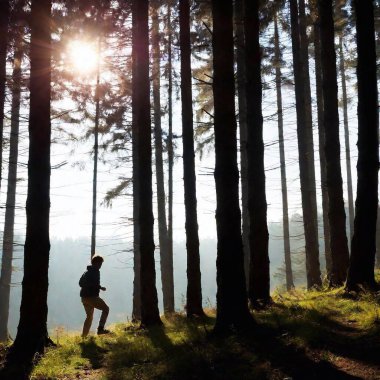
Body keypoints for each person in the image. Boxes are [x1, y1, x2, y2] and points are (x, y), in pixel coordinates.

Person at [79, 255, 110, 337]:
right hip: (91, 297)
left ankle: (83, 337)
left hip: (84, 298)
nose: (100, 266)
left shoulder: (86, 272)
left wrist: (99, 287)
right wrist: (98, 287)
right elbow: (94, 283)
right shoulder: (95, 271)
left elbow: (80, 283)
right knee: (106, 309)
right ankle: (100, 329)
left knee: (89, 317)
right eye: (100, 264)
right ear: (95, 263)